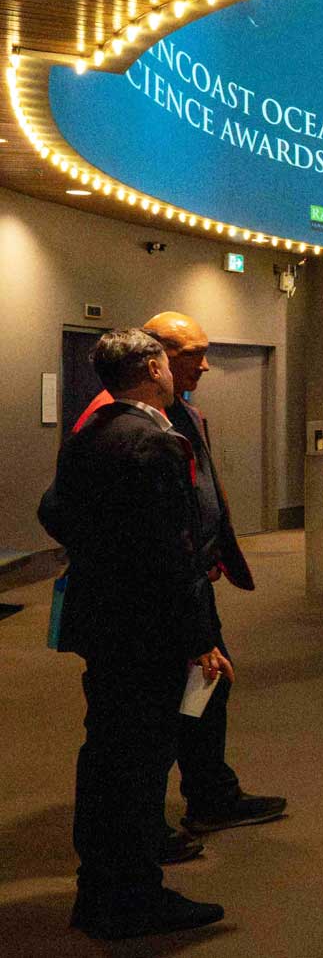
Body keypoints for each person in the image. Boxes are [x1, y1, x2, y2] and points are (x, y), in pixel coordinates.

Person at [70, 313, 289, 861]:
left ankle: (206, 793)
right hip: (154, 603)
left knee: (201, 694)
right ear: (157, 358)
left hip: (176, 586)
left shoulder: (173, 412)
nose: (204, 364)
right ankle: (140, 843)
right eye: (191, 353)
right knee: (143, 728)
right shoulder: (125, 426)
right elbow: (84, 514)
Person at [39, 329, 226, 940]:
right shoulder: (153, 442)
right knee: (138, 764)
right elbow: (173, 555)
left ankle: (100, 890)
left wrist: (99, 553)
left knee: (106, 756)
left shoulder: (90, 432)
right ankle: (130, 899)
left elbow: (54, 511)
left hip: (103, 623)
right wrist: (201, 638)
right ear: (152, 366)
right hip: (146, 632)